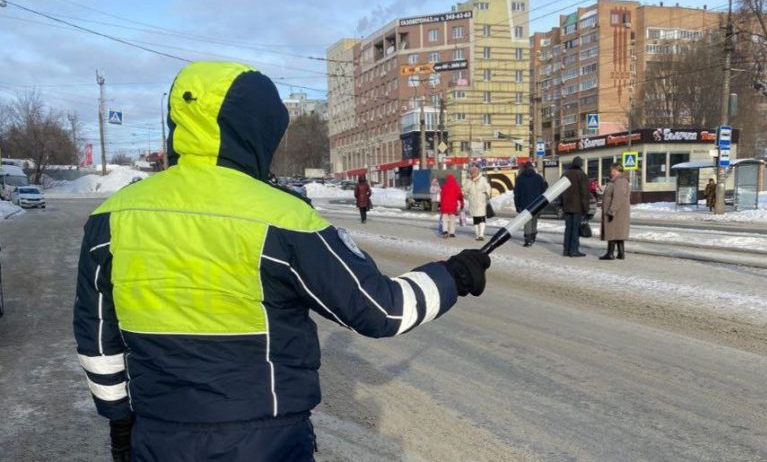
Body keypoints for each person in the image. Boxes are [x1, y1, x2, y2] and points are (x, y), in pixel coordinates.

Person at [73, 62, 491, 462]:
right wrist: (453, 275)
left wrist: (120, 423)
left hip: (158, 434)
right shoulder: (284, 218)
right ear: (258, 129)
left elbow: (97, 340)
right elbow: (382, 310)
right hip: (264, 440)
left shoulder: (112, 217)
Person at [599, 163, 631, 260]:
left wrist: (612, 210)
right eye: (611, 170)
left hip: (616, 212)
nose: (611, 172)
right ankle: (620, 253)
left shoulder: (620, 181)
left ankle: (610, 253)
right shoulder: (616, 181)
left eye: (613, 170)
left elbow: (618, 197)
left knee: (612, 232)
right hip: (618, 211)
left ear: (618, 171)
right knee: (617, 232)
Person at [561, 156, 590, 257]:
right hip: (577, 207)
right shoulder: (582, 175)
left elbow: (560, 191)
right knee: (575, 229)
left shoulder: (565, 175)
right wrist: (586, 209)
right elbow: (584, 193)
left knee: (568, 228)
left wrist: (561, 205)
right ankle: (574, 250)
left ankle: (566, 250)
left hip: (567, 206)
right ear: (580, 165)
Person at [514, 161, 547, 247]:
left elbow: (517, 193)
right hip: (537, 203)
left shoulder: (519, 178)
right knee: (534, 220)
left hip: (524, 203)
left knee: (527, 221)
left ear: (524, 168)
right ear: (532, 168)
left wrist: (517, 205)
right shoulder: (538, 177)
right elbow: (543, 191)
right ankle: (533, 235)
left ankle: (528, 239)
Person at [463, 166, 492, 241]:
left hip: (481, 202)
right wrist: (470, 182)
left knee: (482, 217)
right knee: (475, 219)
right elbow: (465, 190)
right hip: (472, 202)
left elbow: (488, 188)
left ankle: (481, 235)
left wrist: (487, 194)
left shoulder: (482, 179)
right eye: (471, 173)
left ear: (477, 172)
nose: (473, 174)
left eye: (474, 172)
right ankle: (477, 234)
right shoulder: (468, 180)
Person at [439, 174, 463, 238]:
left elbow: (441, 197)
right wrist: (462, 203)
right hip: (453, 206)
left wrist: (441, 205)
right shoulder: (456, 187)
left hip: (445, 207)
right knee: (452, 220)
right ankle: (452, 233)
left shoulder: (444, 187)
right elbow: (460, 196)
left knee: (444, 220)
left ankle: (445, 231)